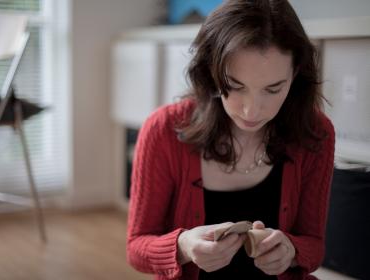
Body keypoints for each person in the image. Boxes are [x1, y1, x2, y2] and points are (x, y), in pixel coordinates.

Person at [126, 0, 335, 279]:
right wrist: (183, 246)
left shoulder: (316, 132)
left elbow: (315, 246)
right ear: (212, 73)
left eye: (273, 89)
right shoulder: (164, 130)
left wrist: (292, 250)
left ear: (295, 75)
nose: (252, 110)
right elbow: (137, 247)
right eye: (235, 86)